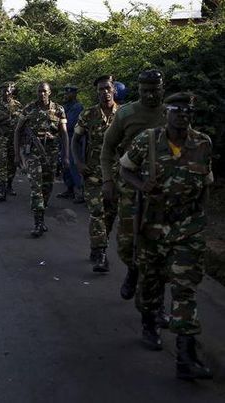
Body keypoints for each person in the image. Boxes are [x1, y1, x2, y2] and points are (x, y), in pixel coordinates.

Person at [119, 93, 213, 380]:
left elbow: (206, 183)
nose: (182, 115)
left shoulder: (202, 144)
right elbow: (125, 169)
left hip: (187, 228)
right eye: (176, 110)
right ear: (166, 113)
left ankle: (185, 356)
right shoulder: (147, 141)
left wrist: (201, 219)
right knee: (151, 283)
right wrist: (141, 186)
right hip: (152, 228)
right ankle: (149, 323)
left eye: (187, 111)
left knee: (185, 289)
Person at [100, 70, 166, 301]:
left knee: (159, 244)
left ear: (162, 88)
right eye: (145, 91)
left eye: (154, 90)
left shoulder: (171, 114)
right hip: (130, 185)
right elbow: (107, 148)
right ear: (138, 90)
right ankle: (133, 269)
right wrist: (108, 179)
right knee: (127, 243)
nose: (150, 95)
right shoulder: (126, 113)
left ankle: (153, 297)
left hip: (163, 189)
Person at [72, 76, 120, 272]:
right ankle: (101, 254)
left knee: (110, 213)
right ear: (97, 92)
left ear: (114, 90)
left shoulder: (124, 114)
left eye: (107, 88)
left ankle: (98, 244)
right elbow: (75, 139)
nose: (104, 92)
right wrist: (78, 162)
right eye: (100, 89)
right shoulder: (88, 114)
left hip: (117, 173)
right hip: (93, 172)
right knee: (97, 211)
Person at [14, 82, 70, 238]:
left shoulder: (59, 109)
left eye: (44, 91)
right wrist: (17, 155)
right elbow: (18, 131)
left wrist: (66, 156)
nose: (42, 94)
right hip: (32, 153)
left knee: (47, 186)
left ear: (50, 92)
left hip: (51, 153)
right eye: (39, 91)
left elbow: (64, 134)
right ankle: (38, 223)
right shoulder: (29, 109)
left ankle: (41, 214)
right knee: (36, 186)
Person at [0, 83, 22, 201]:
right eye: (4, 91)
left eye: (8, 91)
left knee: (13, 164)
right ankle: (2, 190)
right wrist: (0, 120)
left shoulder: (17, 105)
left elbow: (23, 123)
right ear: (0, 91)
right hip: (0, 138)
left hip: (14, 139)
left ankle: (9, 186)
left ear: (11, 92)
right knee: (2, 164)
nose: (6, 93)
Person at [57, 85, 85, 202]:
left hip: (73, 139)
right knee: (64, 164)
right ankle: (69, 189)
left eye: (68, 93)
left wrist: (57, 125)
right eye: (65, 93)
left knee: (73, 164)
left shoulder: (78, 107)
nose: (66, 95)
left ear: (74, 94)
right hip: (63, 139)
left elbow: (70, 124)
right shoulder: (64, 107)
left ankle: (80, 192)